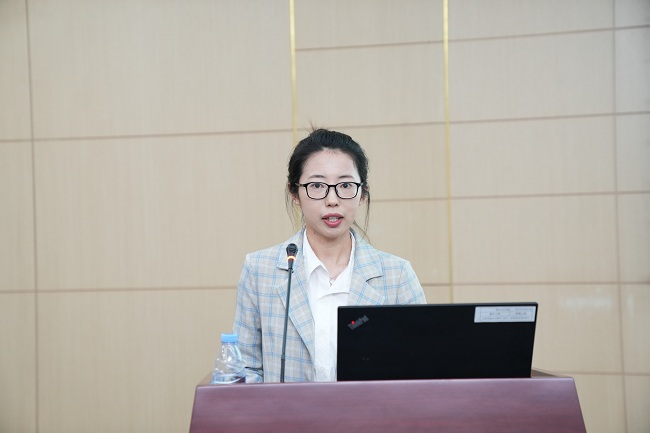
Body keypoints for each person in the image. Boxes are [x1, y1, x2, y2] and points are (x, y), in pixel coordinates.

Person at [233, 128, 426, 383]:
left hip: (369, 410)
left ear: (363, 193)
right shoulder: (259, 270)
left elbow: (420, 370)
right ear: (294, 193)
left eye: (345, 185)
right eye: (317, 185)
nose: (332, 199)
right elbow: (245, 370)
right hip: (287, 410)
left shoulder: (397, 275)